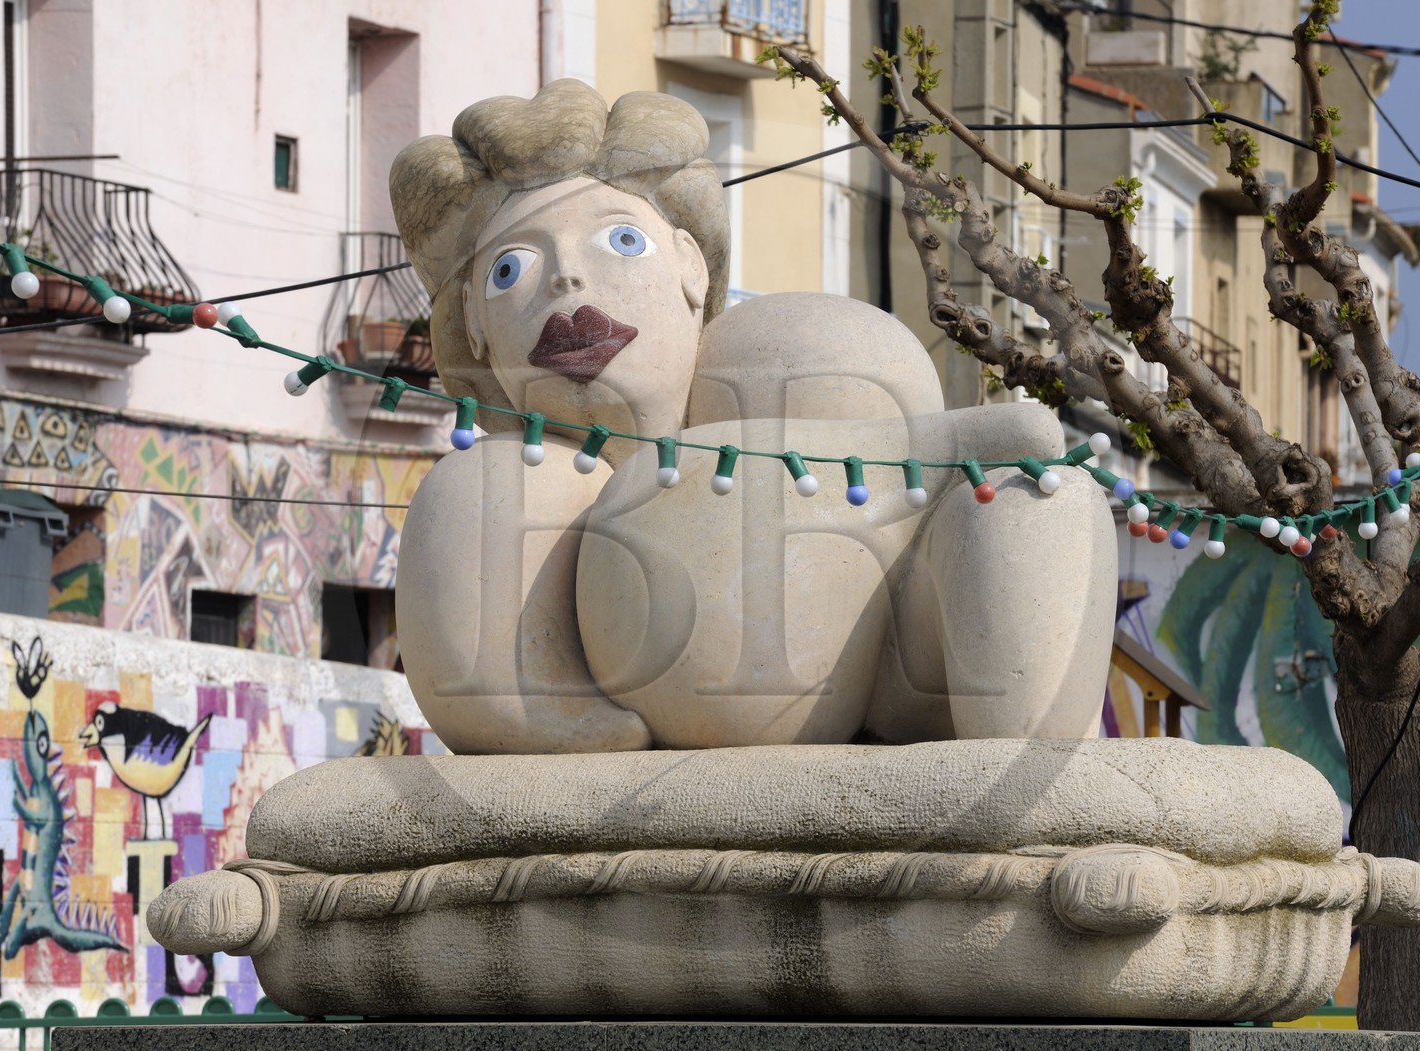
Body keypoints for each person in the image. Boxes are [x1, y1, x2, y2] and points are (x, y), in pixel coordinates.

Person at [390, 80, 1115, 753]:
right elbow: (493, 706)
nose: (567, 279)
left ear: (690, 266)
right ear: (475, 324)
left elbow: (912, 483)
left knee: (1041, 498)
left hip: (904, 667)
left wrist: (950, 448)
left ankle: (1042, 790)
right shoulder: (506, 485)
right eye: (510, 268)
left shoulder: (790, 357)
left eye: (621, 241)